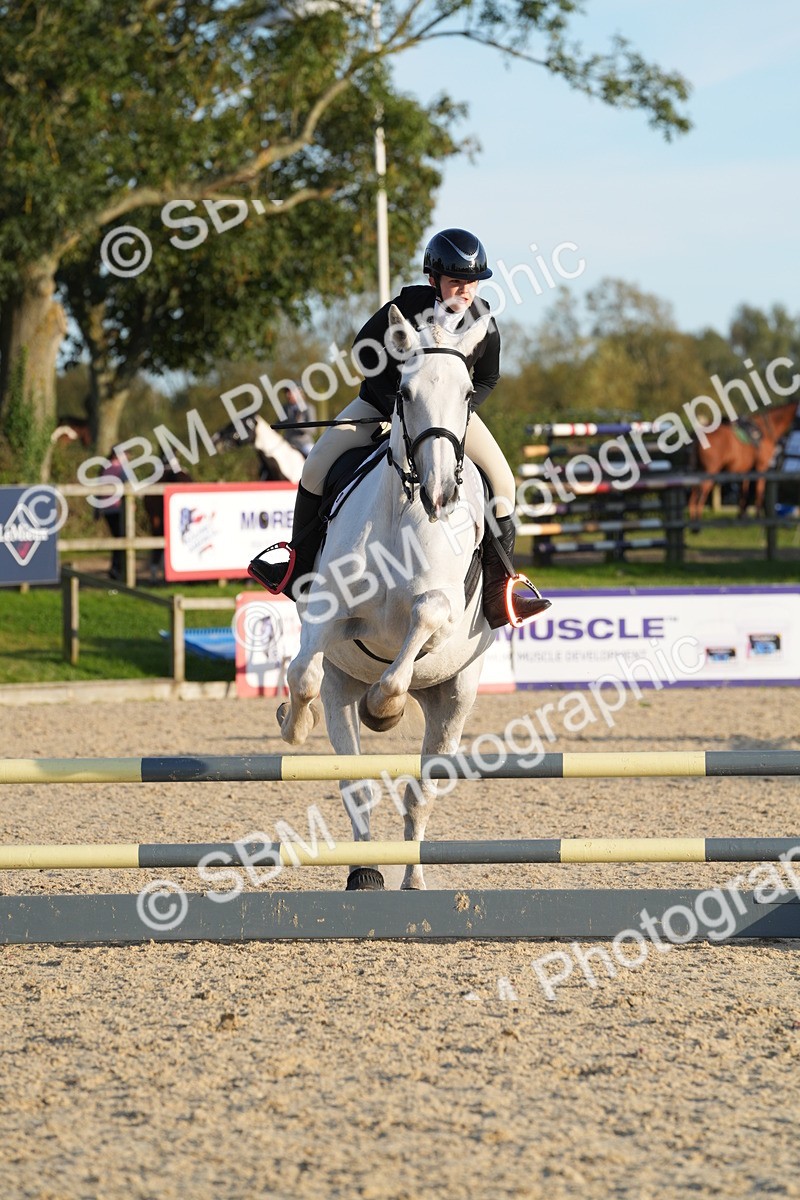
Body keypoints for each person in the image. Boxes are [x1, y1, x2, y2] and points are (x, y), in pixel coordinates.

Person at [254, 227, 548, 628]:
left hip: (447, 419)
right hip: (380, 406)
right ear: (434, 280)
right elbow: (363, 349)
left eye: (472, 283)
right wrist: (396, 406)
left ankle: (501, 590)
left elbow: (488, 378)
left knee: (504, 481)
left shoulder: (483, 322)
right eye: (456, 282)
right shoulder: (409, 306)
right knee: (315, 466)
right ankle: (297, 568)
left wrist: (458, 414)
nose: (465, 292)